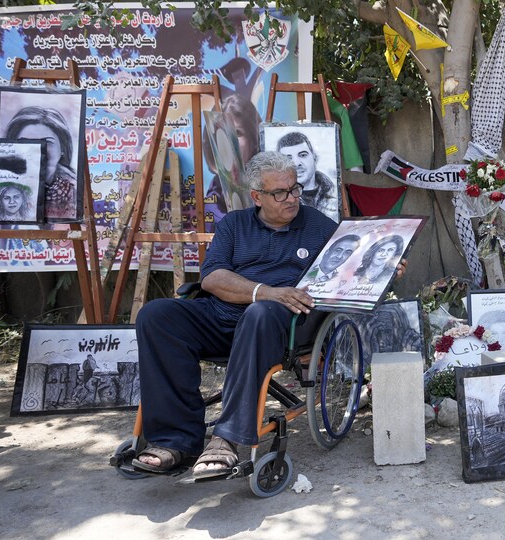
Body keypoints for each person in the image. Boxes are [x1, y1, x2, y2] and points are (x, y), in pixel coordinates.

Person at [131, 152, 404, 479]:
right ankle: (174, 440)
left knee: (259, 313)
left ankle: (227, 438)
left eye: (294, 189)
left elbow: (354, 266)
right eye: (280, 193)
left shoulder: (317, 225)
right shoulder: (234, 225)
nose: (291, 198)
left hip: (284, 326)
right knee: (156, 315)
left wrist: (385, 269)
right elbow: (213, 277)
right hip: (225, 316)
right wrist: (265, 290)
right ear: (257, 197)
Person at [4, 106, 78, 221]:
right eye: (25, 142)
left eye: (46, 142)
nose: (37, 148)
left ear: (62, 148)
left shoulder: (76, 190)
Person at [205, 93, 262, 215]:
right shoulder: (216, 188)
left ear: (253, 140)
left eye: (237, 132)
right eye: (223, 132)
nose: (229, 141)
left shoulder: (267, 182)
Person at [276, 131, 338, 220]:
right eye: (288, 158)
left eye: (303, 155)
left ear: (315, 158)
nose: (296, 163)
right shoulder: (275, 201)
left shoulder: (335, 196)